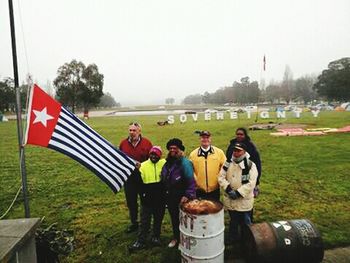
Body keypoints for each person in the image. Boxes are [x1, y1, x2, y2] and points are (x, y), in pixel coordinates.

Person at [218, 142, 258, 245]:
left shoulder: (250, 165)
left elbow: (251, 183)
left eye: (239, 150)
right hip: (230, 199)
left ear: (244, 151)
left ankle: (248, 240)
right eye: (234, 150)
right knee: (233, 220)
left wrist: (239, 193)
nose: (236, 152)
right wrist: (228, 189)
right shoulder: (227, 163)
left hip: (244, 201)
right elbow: (221, 177)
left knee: (246, 222)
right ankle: (233, 238)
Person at [129, 146, 166, 251]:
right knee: (144, 220)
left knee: (158, 219)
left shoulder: (164, 163)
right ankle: (141, 241)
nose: (153, 156)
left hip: (160, 197)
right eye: (152, 154)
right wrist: (142, 195)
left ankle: (156, 237)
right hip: (147, 197)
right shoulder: (143, 165)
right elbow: (138, 183)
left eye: (156, 155)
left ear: (160, 156)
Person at [161, 138, 196, 248]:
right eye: (170, 148)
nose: (172, 150)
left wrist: (187, 195)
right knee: (174, 218)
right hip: (171, 196)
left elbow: (191, 181)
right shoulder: (167, 163)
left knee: (186, 219)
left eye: (175, 148)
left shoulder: (185, 163)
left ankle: (188, 239)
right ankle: (177, 237)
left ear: (180, 149)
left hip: (183, 197)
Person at [119, 122, 153, 233]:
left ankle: (145, 224)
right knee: (131, 202)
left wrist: (142, 166)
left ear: (139, 131)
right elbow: (120, 159)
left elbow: (152, 160)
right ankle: (134, 223)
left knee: (145, 202)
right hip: (129, 179)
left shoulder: (147, 143)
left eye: (134, 130)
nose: (132, 132)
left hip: (143, 179)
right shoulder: (123, 143)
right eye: (130, 130)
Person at [189, 131, 226, 201]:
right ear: (200, 139)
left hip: (214, 189)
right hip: (199, 190)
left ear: (210, 139)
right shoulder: (193, 154)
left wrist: (218, 178)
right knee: (201, 210)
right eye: (203, 137)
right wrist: (196, 182)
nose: (205, 139)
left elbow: (224, 167)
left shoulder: (219, 152)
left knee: (214, 210)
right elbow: (191, 170)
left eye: (207, 137)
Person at [225, 128, 261, 195]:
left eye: (241, 134)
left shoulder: (251, 146)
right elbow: (227, 157)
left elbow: (257, 164)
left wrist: (256, 181)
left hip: (246, 172)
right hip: (232, 172)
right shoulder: (232, 145)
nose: (239, 136)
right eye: (238, 134)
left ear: (245, 135)